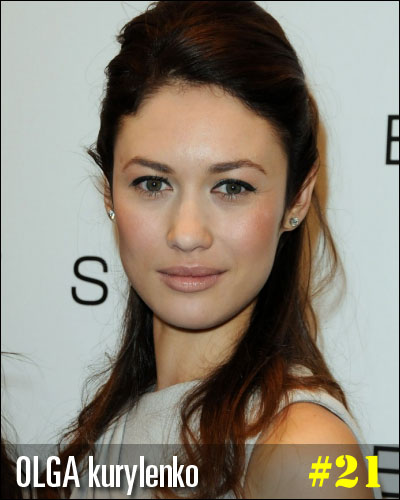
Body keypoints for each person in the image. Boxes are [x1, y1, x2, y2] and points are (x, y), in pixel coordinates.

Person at [41, 1, 381, 498]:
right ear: (109, 193)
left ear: (298, 198)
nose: (187, 233)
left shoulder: (306, 451)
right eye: (152, 183)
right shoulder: (111, 428)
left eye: (233, 187)